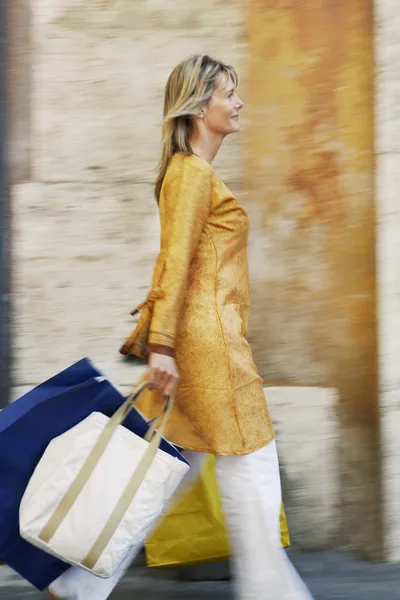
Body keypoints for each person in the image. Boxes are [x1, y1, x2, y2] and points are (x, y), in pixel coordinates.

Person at [48, 54, 314, 600]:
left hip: (201, 345)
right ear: (198, 106)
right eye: (228, 93)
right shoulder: (190, 174)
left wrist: (168, 346)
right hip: (212, 350)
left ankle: (78, 587)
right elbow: (174, 262)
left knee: (167, 469)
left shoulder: (193, 173)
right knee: (252, 463)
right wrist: (162, 346)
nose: (238, 102)